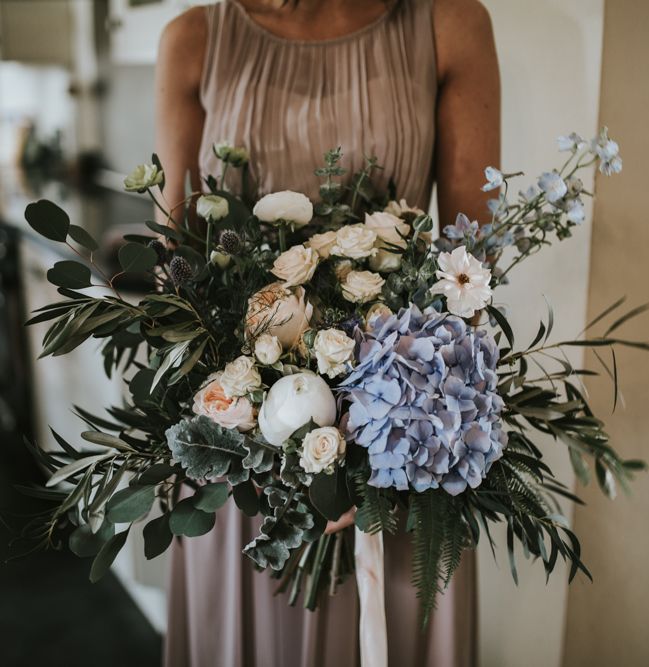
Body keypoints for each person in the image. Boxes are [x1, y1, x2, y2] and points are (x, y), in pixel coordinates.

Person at [155, 0, 499, 665]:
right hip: (243, 448)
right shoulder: (193, 39)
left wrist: (376, 442)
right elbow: (181, 270)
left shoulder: (449, 24)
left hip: (396, 450)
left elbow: (471, 272)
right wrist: (271, 436)